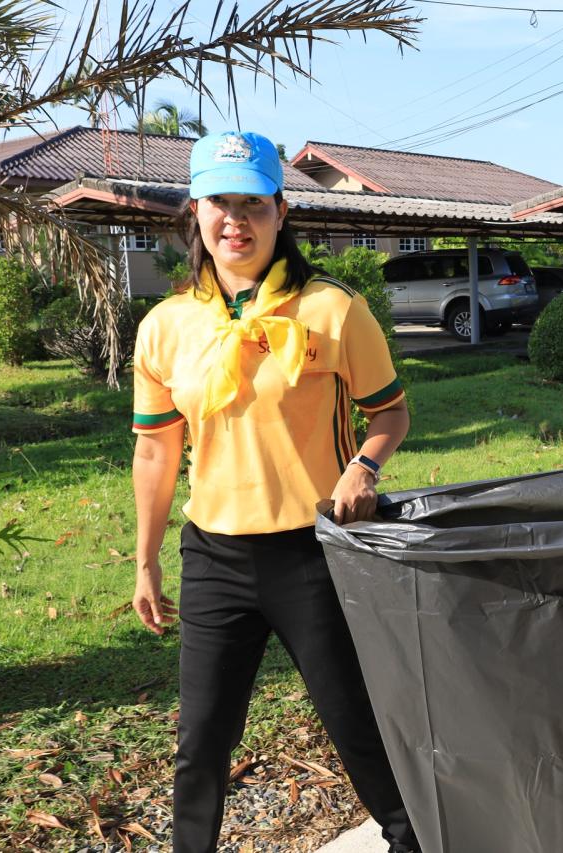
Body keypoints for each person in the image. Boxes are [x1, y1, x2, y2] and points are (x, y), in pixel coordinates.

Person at [130, 131, 419, 853]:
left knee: (357, 724)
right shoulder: (166, 327)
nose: (236, 220)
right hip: (215, 559)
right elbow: (157, 447)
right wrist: (145, 558)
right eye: (220, 202)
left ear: (281, 211)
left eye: (252, 204)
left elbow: (390, 410)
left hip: (314, 554)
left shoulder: (332, 309)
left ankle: (418, 841)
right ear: (194, 211)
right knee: (201, 740)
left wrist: (365, 467)